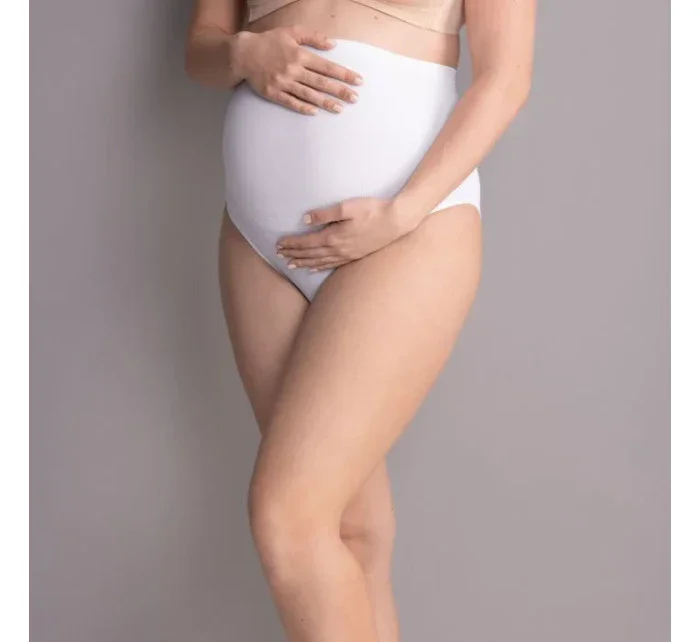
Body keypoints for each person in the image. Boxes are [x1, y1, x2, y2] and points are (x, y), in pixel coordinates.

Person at [185, 0, 535, 639]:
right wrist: (240, 53)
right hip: (258, 244)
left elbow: (506, 77)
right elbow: (202, 49)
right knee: (354, 529)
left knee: (288, 518)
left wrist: (402, 213)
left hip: (406, 228)